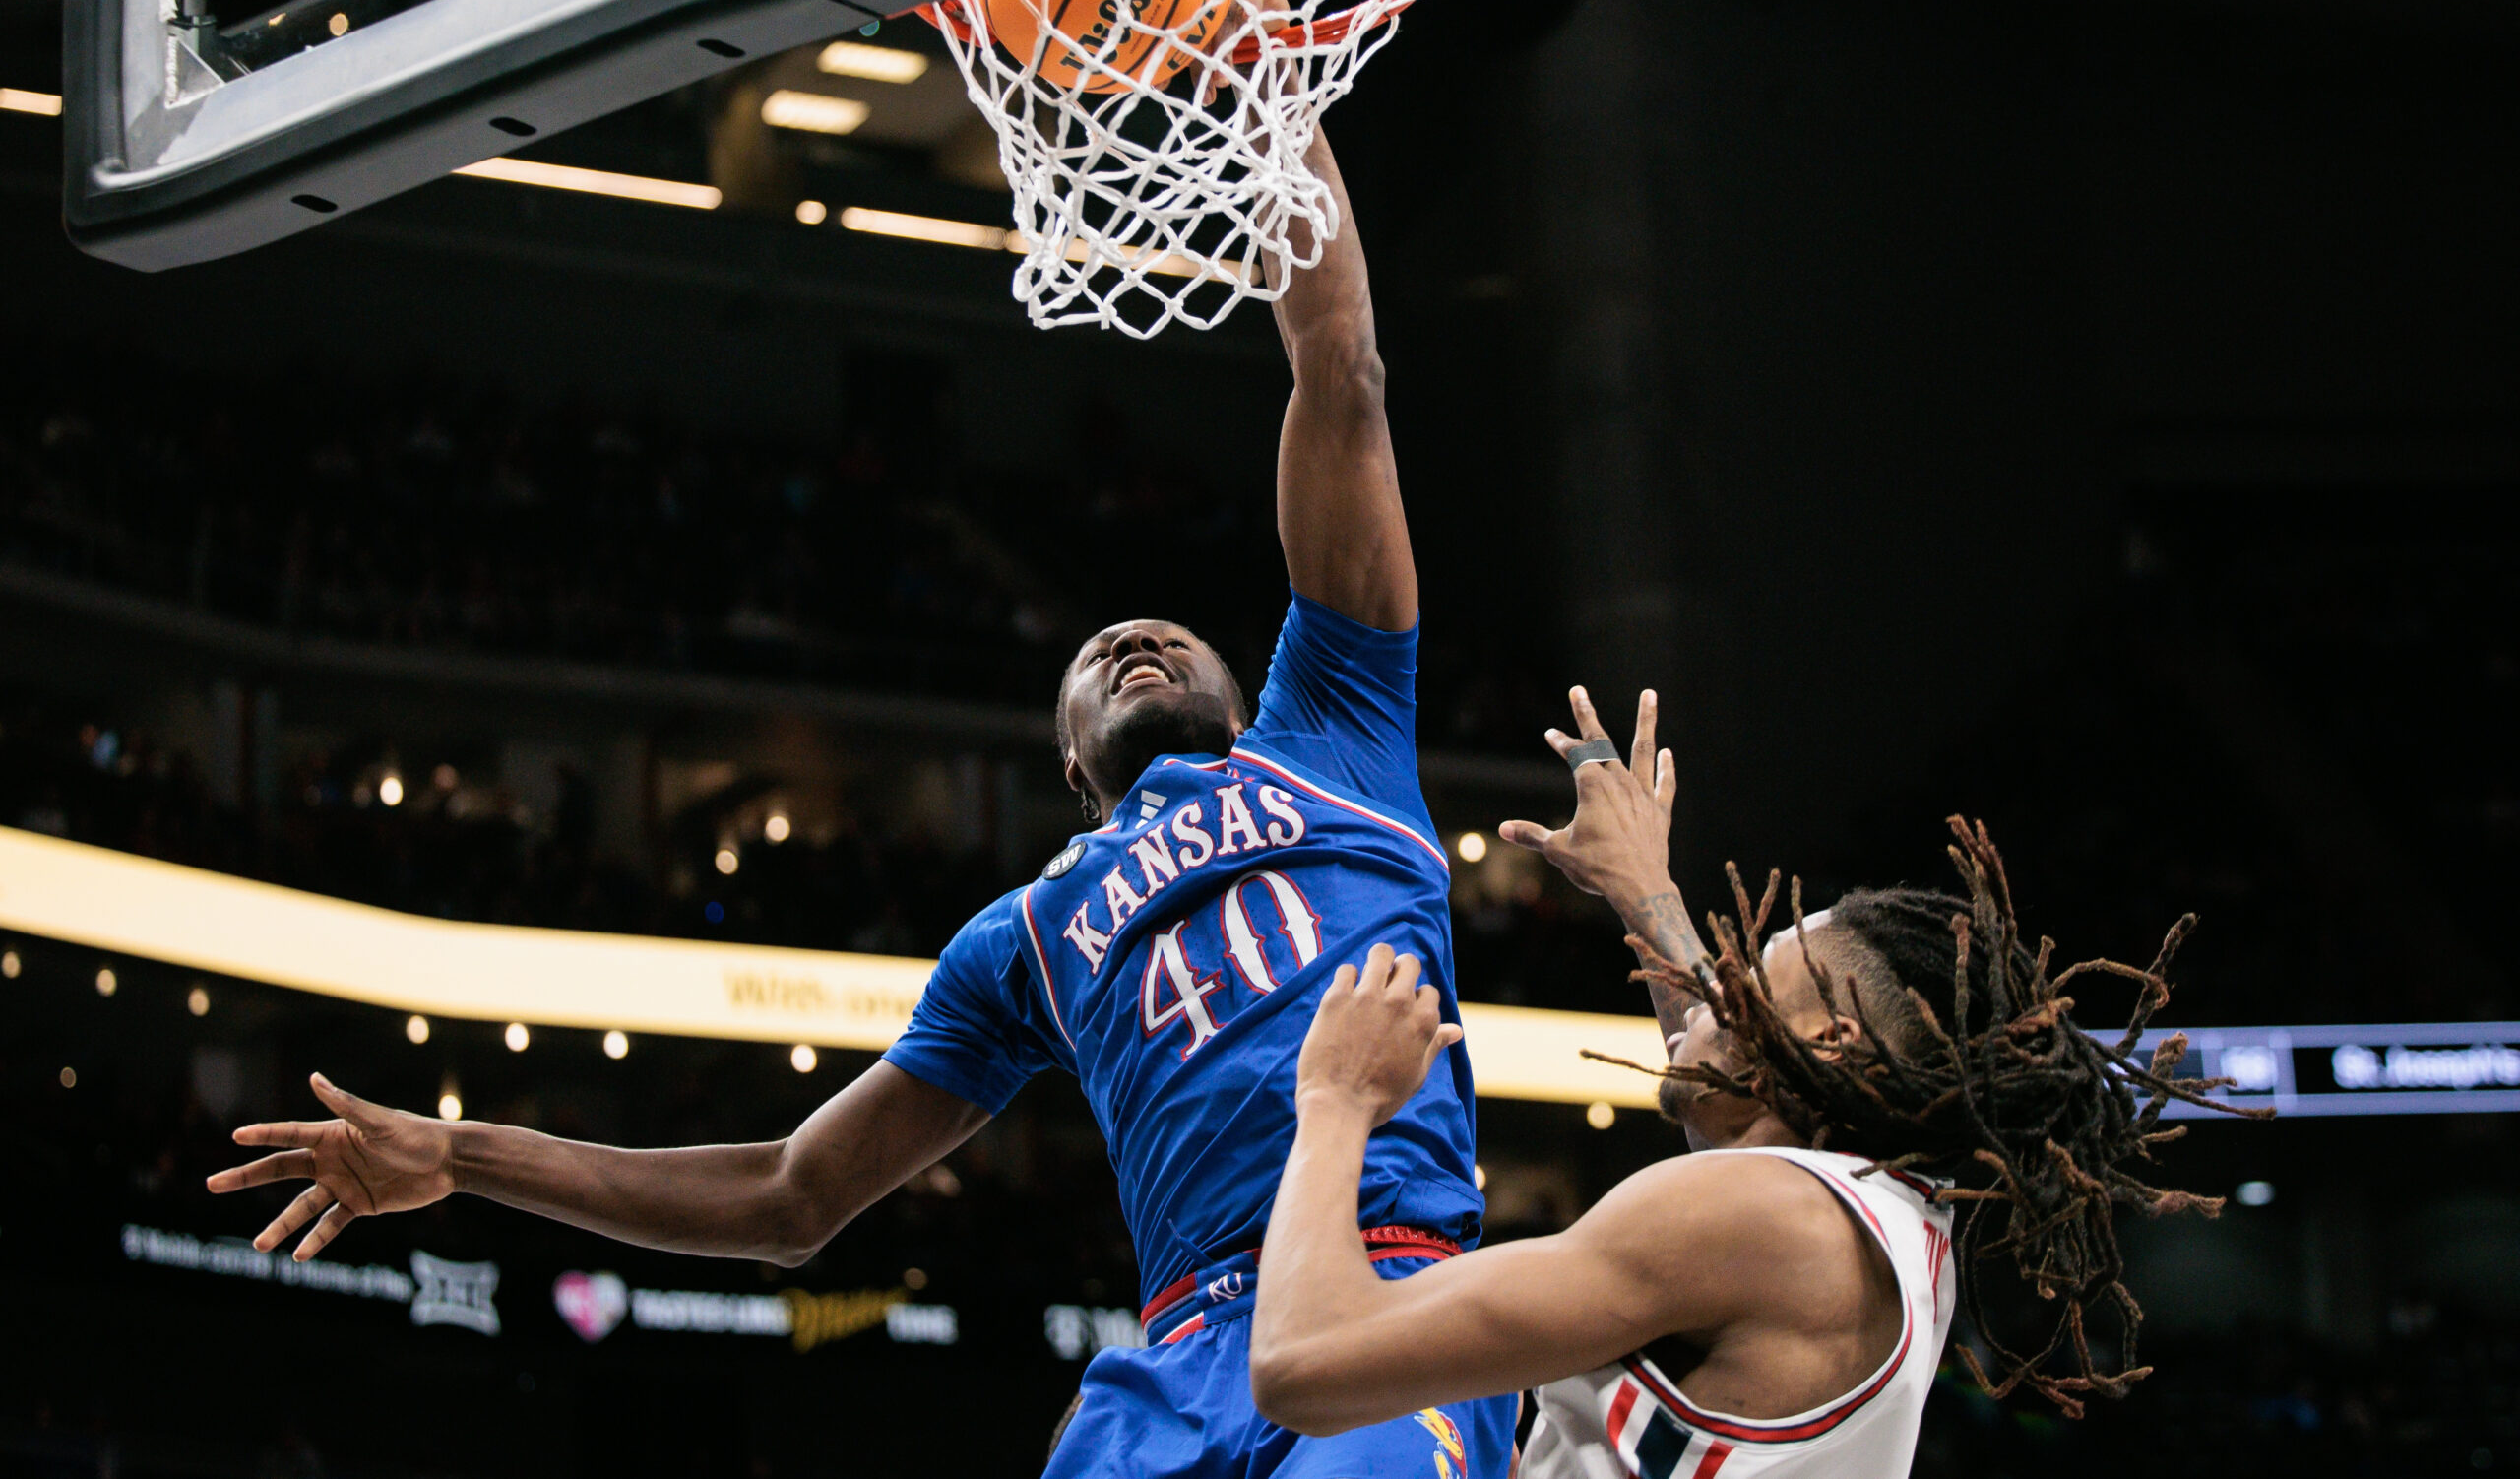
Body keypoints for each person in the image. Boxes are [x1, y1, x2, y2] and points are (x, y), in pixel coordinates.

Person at [206, 117, 1513, 1479]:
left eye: (1168, 636)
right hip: (1176, 1357)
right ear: (1072, 766)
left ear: (1249, 698)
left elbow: (1340, 370)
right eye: (1094, 656)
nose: (1134, 638)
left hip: (1388, 1291)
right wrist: (465, 1153)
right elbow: (791, 1195)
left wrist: (1273, 103)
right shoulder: (1023, 940)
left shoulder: (1338, 734)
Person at [1250, 687, 2261, 1479]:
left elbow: (1306, 1360)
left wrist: (1335, 1099)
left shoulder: (1762, 1216)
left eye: (1750, 975)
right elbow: (1724, 1062)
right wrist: (1643, 891)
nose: (1705, 993)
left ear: (1823, 1046)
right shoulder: (1882, 1224)